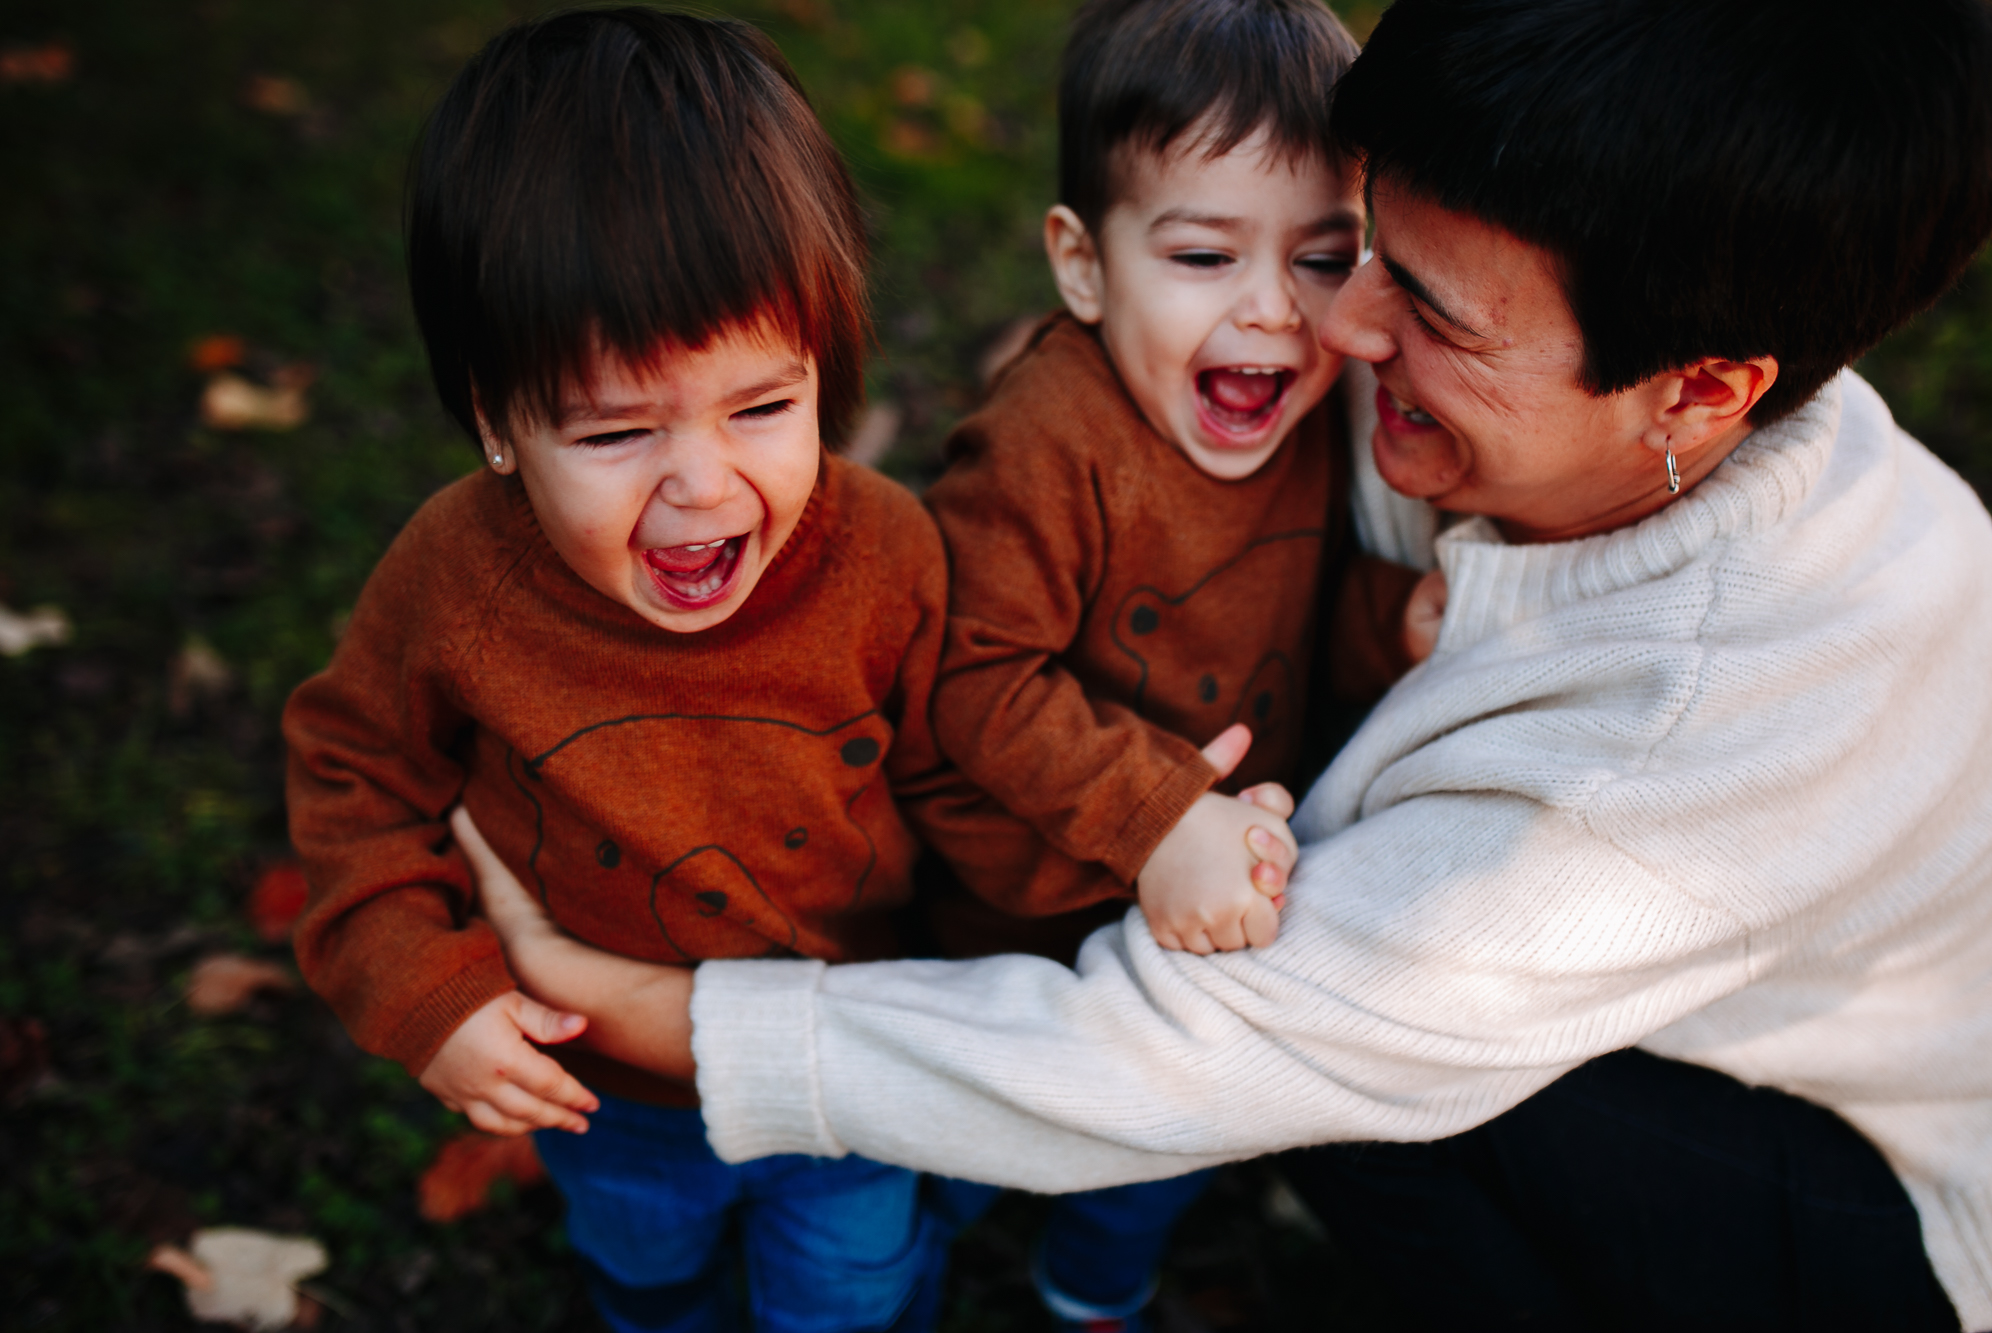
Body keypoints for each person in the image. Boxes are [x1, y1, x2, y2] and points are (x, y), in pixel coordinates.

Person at [448, 0, 1992, 1328]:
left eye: (1427, 305)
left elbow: (1187, 1049)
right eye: (1367, 236)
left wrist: (655, 1010)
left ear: (1705, 387)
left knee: (1331, 1084)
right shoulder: (1656, 362)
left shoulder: (1670, 765)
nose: (1338, 319)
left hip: (1881, 1203)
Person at [280, 11, 969, 1332]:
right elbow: (354, 776)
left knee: (849, 1294)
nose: (703, 485)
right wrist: (430, 990)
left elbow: (970, 781)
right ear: (496, 419)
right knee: (650, 1279)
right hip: (604, 1089)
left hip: (853, 1063)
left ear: (823, 365)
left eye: (764, 407)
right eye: (615, 429)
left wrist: (1052, 930)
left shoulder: (888, 557)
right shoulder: (457, 580)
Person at [905, 1, 1435, 1326]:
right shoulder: (1048, 445)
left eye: (1322, 257)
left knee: (1163, 1139)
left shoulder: (1300, 411)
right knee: (967, 1135)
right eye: (1204, 254)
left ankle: (1093, 1286)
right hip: (1014, 916)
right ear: (1084, 267)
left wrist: (1394, 623)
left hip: (1194, 916)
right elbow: (971, 675)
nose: (1271, 309)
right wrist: (1156, 821)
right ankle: (915, 1228)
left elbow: (1293, 605)